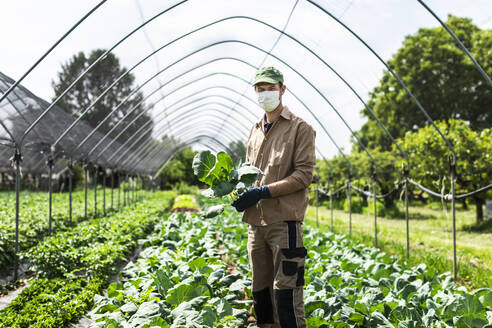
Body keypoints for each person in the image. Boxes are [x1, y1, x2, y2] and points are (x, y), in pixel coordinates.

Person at [231, 66, 316, 328]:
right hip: (256, 225)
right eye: (260, 89)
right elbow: (249, 172)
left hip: (284, 224)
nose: (265, 94)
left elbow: (303, 176)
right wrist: (240, 190)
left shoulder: (300, 129)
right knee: (261, 293)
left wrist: (263, 191)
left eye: (270, 88)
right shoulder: (255, 129)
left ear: (282, 89)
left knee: (286, 294)